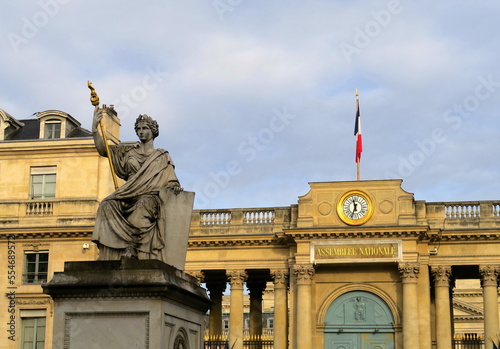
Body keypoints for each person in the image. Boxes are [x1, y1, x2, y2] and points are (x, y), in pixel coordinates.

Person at [91, 106, 182, 260]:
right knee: (106, 204)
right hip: (128, 193)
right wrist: (95, 128)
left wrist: (174, 187)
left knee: (142, 206)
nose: (141, 131)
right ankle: (108, 254)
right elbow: (103, 149)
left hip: (149, 196)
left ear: (153, 131)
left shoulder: (161, 156)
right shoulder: (127, 151)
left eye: (145, 128)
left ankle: (132, 246)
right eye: (138, 129)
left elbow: (170, 179)